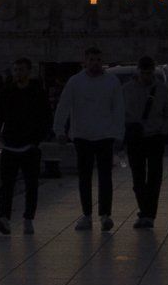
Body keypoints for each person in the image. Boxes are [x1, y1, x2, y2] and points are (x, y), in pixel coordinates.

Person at [53, 46, 125, 231]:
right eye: (91, 60)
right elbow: (64, 105)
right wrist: (59, 130)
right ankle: (87, 214)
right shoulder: (75, 82)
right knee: (84, 177)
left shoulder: (112, 81)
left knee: (105, 177)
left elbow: (118, 109)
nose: (95, 63)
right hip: (82, 136)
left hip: (105, 135)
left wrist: (119, 134)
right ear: (85, 61)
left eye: (98, 60)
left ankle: (105, 214)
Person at [0, 57, 49, 233]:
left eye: (21, 70)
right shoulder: (7, 91)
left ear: (28, 71)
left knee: (31, 184)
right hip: (9, 144)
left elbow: (46, 116)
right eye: (15, 70)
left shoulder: (37, 92)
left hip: (30, 146)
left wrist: (37, 139)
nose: (18, 73)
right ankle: (4, 217)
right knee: (6, 184)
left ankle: (28, 218)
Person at [124, 56, 168, 229]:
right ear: (138, 71)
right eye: (144, 73)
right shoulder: (127, 89)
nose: (146, 76)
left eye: (149, 73)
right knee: (138, 178)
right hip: (135, 138)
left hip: (155, 137)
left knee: (154, 178)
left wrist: (163, 131)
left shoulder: (161, 89)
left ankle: (148, 214)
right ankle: (145, 210)